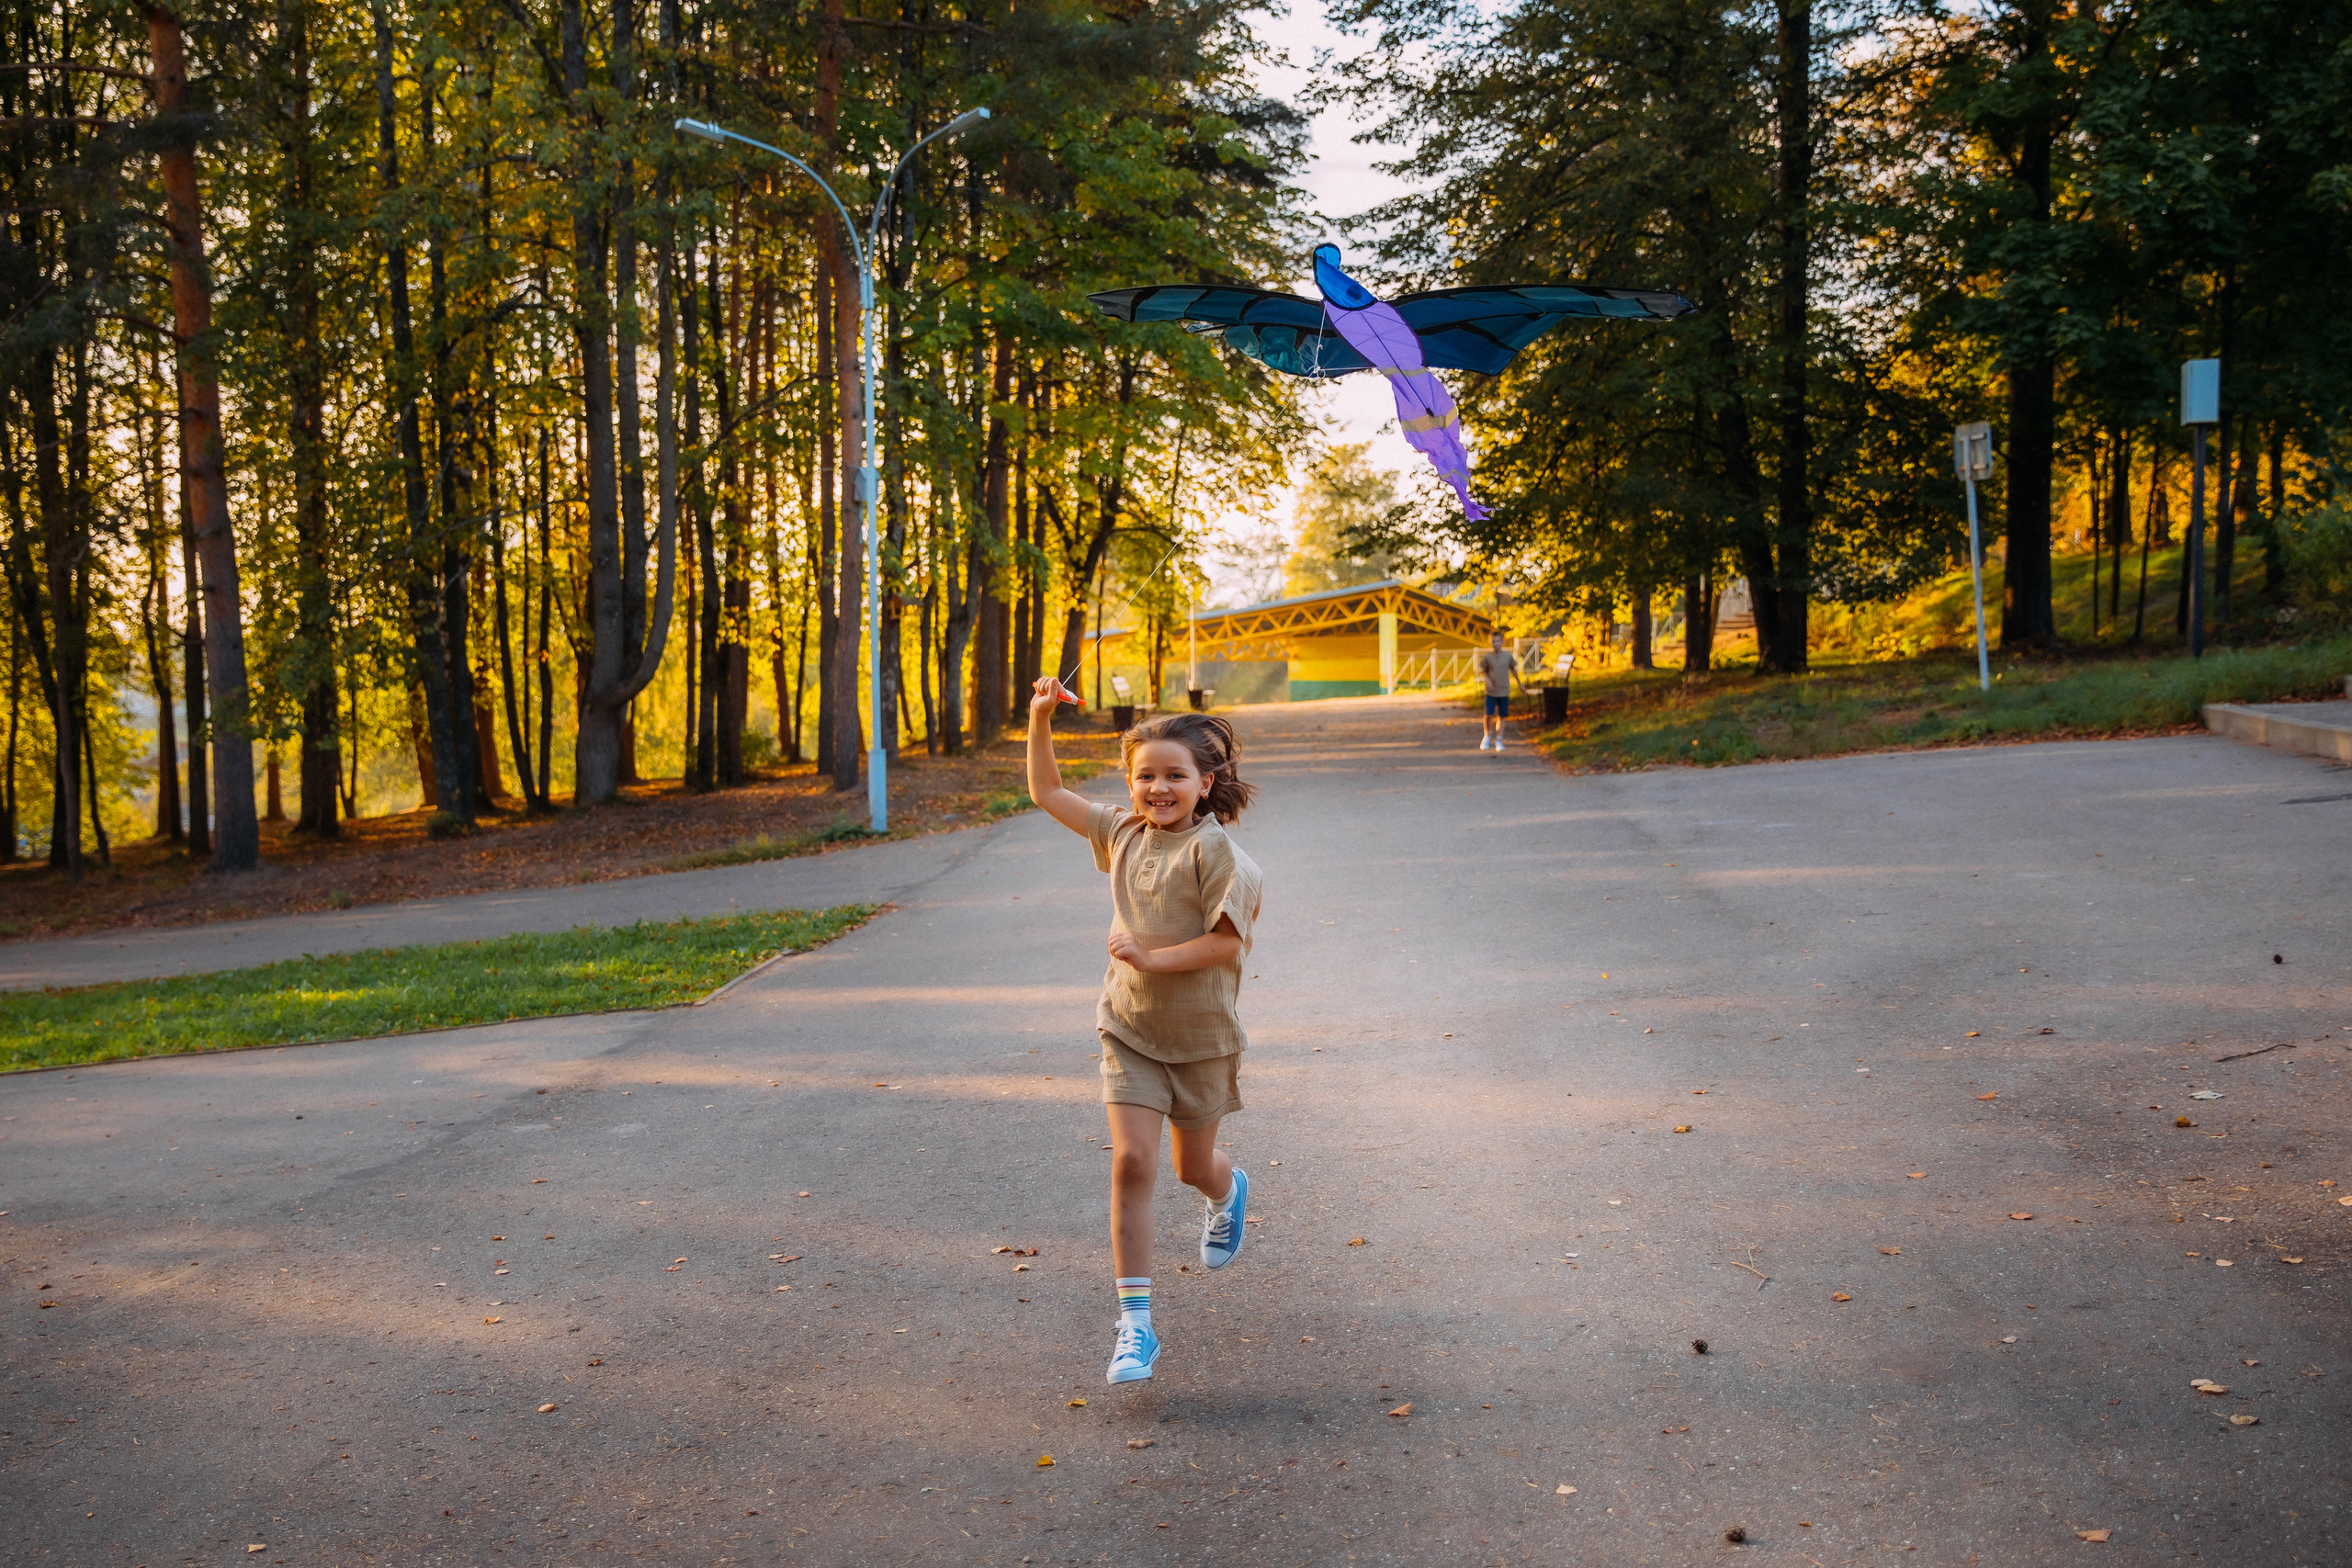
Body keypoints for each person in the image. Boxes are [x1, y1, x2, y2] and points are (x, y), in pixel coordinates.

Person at [1025, 678, 1264, 1386]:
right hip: (1127, 1028)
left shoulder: (1222, 857)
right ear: (1130, 783)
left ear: (1204, 782)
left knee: (1193, 1167)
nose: (1158, 788)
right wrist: (1040, 718)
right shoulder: (1122, 832)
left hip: (1201, 1040)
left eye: (1174, 776)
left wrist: (1152, 957)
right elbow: (1047, 793)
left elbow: (1226, 944)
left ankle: (1227, 1192)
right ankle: (1136, 1328)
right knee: (1131, 1163)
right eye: (1145, 776)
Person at [1475, 630, 1525, 750]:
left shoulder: (1507, 656)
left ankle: (1499, 739)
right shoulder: (1487, 657)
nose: (1496, 644)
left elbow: (1513, 670)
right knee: (1489, 713)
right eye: (1493, 641)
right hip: (1491, 691)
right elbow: (1484, 671)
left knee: (1502, 715)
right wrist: (1488, 681)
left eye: (1498, 641)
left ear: (1502, 642)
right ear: (1490, 643)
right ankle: (1487, 735)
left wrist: (1520, 684)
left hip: (1504, 690)